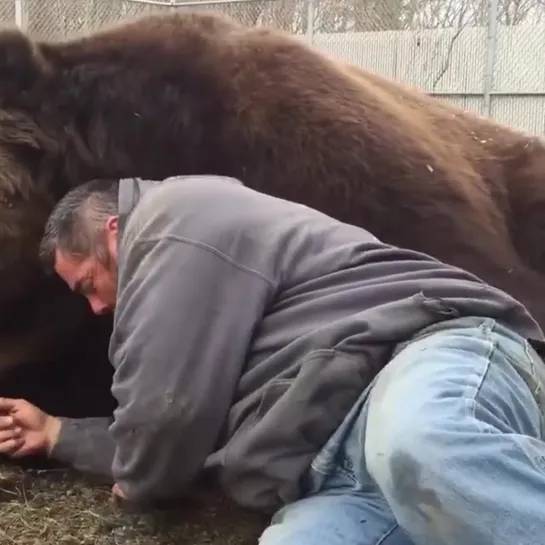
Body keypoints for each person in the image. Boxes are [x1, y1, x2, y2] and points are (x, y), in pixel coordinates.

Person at [1, 174, 545, 545]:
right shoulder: (206, 318)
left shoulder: (175, 215)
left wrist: (144, 476)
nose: (97, 308)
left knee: (422, 442)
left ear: (114, 232)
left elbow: (169, 417)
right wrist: (57, 433)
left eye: (89, 284)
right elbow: (182, 427)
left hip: (417, 356)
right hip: (335, 469)